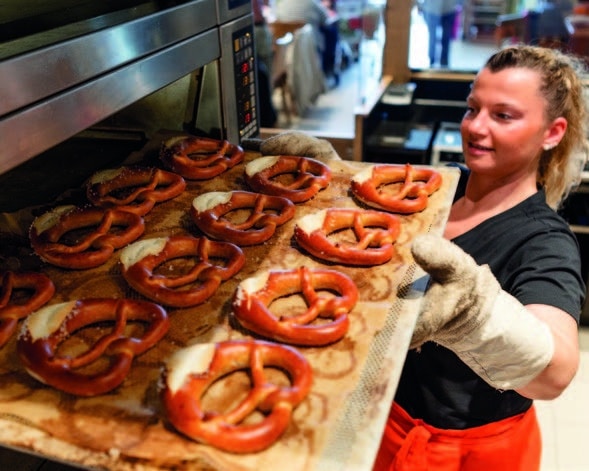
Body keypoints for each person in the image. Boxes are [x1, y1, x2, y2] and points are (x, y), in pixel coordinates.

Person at [373, 45, 588, 470]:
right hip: (389, 419)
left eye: (503, 115)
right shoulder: (439, 191)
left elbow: (556, 372)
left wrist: (475, 315)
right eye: (473, 109)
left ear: (552, 132)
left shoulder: (543, 241)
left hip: (466, 452)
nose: (475, 127)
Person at [274, 0, 341, 84]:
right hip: (309, 47)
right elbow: (325, 20)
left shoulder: (281, 5)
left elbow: (276, 19)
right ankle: (328, 69)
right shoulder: (311, 3)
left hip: (285, 50)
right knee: (331, 32)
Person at [253, 0, 278, 127]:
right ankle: (268, 115)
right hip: (257, 30)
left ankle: (267, 114)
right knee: (263, 74)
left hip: (256, 29)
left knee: (261, 74)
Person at [419, 0, 460, 67]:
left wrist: (459, 3)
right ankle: (431, 61)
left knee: (446, 38)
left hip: (449, 9)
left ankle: (444, 63)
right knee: (432, 38)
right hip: (432, 9)